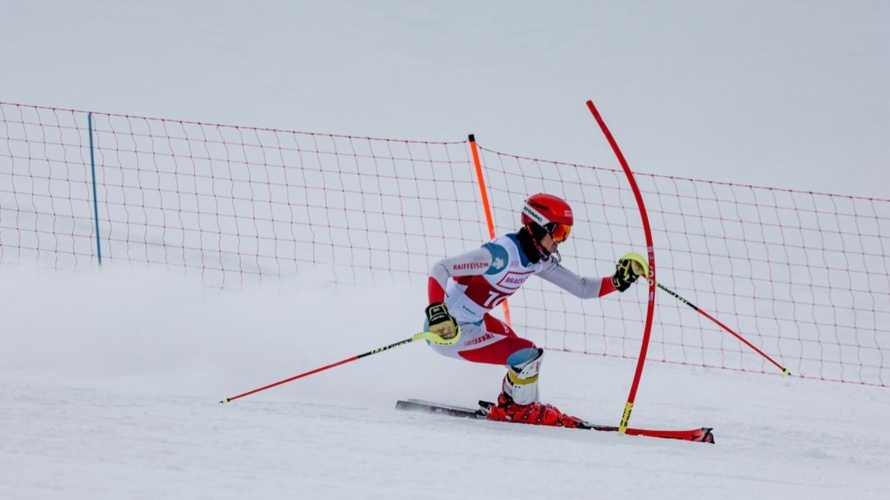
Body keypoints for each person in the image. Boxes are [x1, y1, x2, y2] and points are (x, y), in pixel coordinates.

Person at [423, 193, 647, 427]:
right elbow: (440, 268)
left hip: (474, 322)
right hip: (446, 331)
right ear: (538, 227)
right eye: (559, 232)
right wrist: (437, 312)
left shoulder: (537, 260)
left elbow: (581, 287)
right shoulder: (499, 255)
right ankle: (517, 410)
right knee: (528, 355)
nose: (561, 240)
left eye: (566, 234)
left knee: (515, 347)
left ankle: (514, 405)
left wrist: (618, 280)